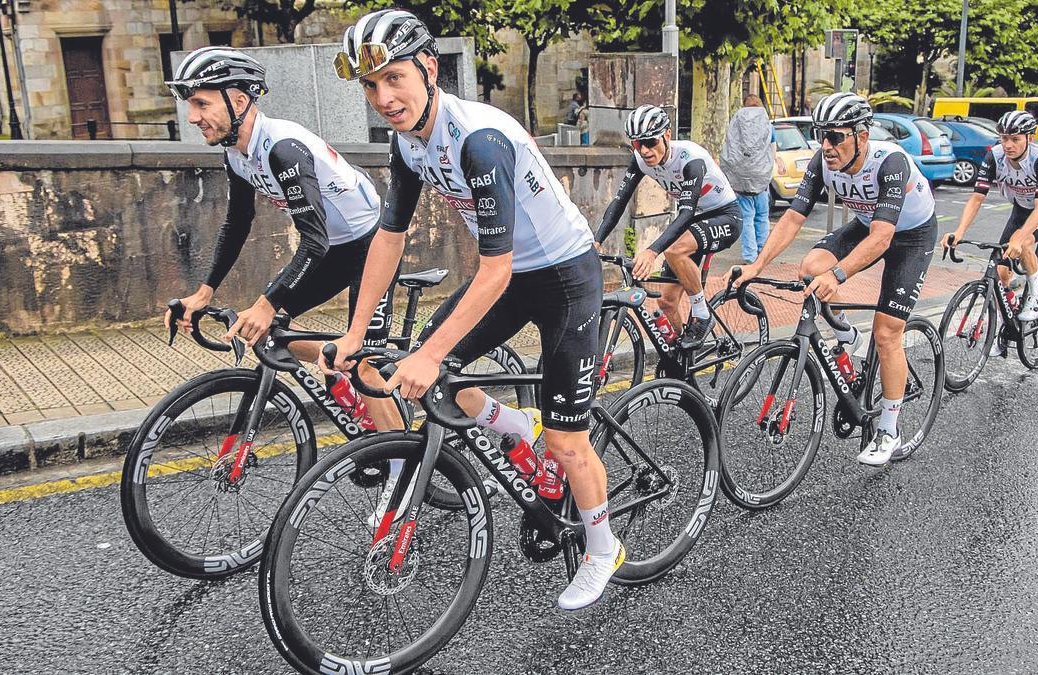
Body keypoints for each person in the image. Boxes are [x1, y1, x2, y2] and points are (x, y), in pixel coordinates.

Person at [325, 9, 622, 611]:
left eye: (394, 80)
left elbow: (494, 269)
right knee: (437, 380)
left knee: (566, 445)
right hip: (512, 277)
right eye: (370, 86)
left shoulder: (480, 141)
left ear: (429, 69)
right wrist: (356, 331)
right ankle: (516, 425)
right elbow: (388, 236)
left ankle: (601, 548)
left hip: (565, 276)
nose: (383, 98)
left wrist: (430, 355)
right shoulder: (408, 142)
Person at [163, 46, 402, 430]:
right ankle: (344, 382)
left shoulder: (282, 149)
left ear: (238, 100)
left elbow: (314, 242)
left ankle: (403, 468)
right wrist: (204, 292)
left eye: (201, 104)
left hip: (370, 244)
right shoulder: (237, 153)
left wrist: (265, 302)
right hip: (334, 249)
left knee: (363, 363)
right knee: (269, 333)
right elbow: (237, 223)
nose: (193, 117)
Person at [733, 92, 938, 466]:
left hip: (910, 235)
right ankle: (846, 334)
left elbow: (883, 238)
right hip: (866, 225)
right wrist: (757, 266)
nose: (825, 145)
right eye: (820, 135)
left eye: (835, 136)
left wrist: (840, 274)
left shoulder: (889, 162)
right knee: (810, 268)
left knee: (888, 331)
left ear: (862, 135)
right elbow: (794, 216)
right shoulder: (823, 160)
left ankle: (889, 431)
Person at [594, 104, 742, 350]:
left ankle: (702, 315)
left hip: (724, 215)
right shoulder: (641, 160)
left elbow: (685, 213)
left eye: (650, 142)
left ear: (667, 135)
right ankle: (684, 356)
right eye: (637, 144)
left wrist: (652, 251)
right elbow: (619, 203)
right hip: (694, 221)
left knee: (674, 250)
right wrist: (596, 242)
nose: (644, 150)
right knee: (667, 302)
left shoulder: (690, 159)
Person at [944, 110, 1038, 355]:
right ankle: (1006, 321)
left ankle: (1035, 294)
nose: (1008, 145)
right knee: (1001, 271)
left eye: (1015, 139)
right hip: (1022, 207)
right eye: (1004, 138)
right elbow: (977, 198)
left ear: (1029, 138)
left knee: (1021, 243)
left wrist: (1021, 238)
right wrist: (958, 231)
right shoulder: (995, 157)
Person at [720, 95, 776, 263]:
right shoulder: (768, 125)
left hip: (740, 180)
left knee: (748, 218)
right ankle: (763, 253)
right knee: (762, 216)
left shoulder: (736, 123)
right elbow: (772, 151)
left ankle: (750, 257)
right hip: (761, 179)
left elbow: (729, 147)